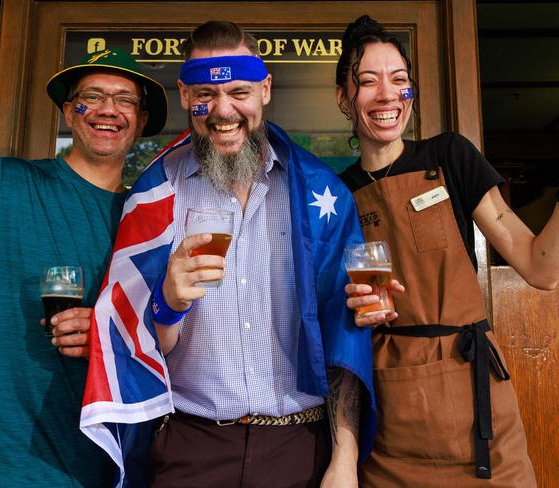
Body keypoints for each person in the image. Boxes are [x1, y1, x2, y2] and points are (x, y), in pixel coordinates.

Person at [123, 20, 377, 488]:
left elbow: (344, 337)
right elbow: (133, 349)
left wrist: (345, 458)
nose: (223, 111)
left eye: (239, 91)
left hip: (300, 445)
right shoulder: (155, 197)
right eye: (205, 93)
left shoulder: (322, 195)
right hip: (189, 446)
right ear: (183, 94)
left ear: (265, 89)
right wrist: (166, 304)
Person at [0, 48, 167, 487]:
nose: (108, 109)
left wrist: (111, 335)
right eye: (93, 96)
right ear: (69, 111)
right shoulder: (7, 180)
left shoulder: (149, 221)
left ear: (141, 121)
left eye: (125, 100)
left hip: (102, 460)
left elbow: (172, 335)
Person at [337, 15, 559, 487]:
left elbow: (542, 270)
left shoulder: (450, 157)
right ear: (343, 98)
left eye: (399, 81)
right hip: (390, 420)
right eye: (368, 82)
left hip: (478, 415)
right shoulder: (334, 196)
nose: (387, 95)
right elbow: (330, 318)